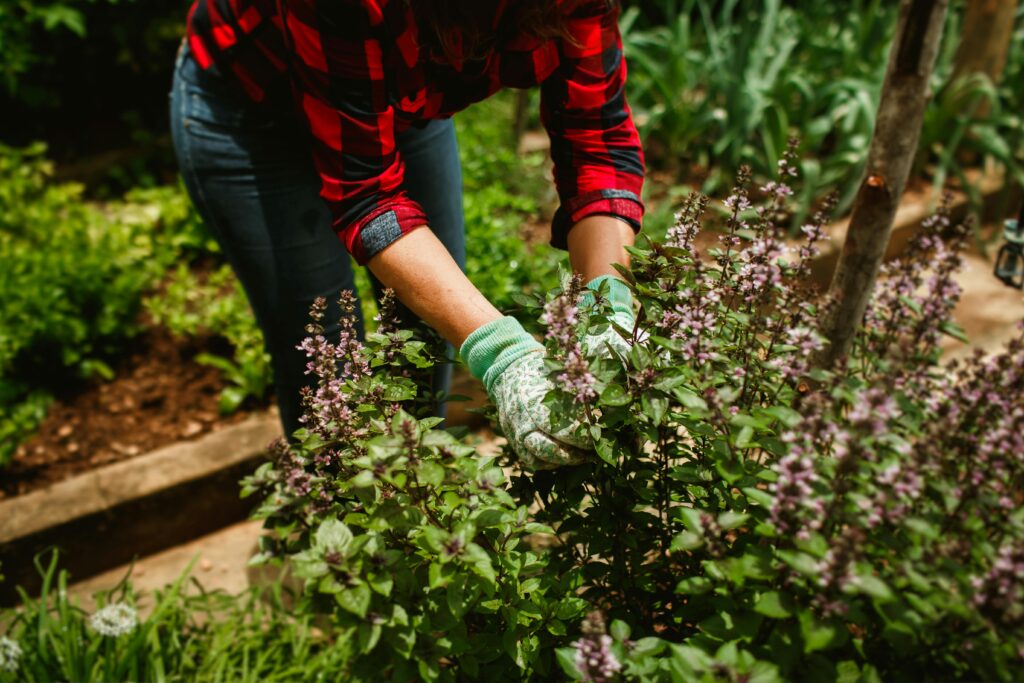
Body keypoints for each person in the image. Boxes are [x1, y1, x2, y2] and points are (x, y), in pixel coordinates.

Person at [170, 0, 645, 469]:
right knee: (330, 370)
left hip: (394, 100)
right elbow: (368, 195)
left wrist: (606, 309)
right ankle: (338, 521)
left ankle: (414, 508)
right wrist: (507, 357)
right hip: (258, 117)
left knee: (426, 335)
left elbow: (597, 143)